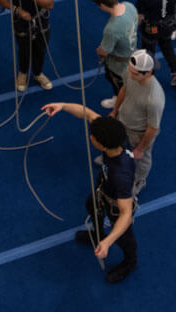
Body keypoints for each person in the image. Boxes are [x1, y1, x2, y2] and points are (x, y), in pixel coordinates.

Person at [39, 106, 138, 283]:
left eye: (93, 137)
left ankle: (130, 262)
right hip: (104, 188)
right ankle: (97, 234)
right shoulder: (116, 139)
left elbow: (126, 213)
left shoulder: (121, 175)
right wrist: (62, 105)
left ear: (102, 144)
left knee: (124, 238)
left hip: (115, 203)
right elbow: (87, 113)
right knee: (91, 205)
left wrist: (108, 242)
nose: (90, 137)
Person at [106, 50, 166, 196]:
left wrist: (140, 148)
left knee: (141, 161)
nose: (130, 75)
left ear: (148, 72)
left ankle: (138, 180)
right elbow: (124, 90)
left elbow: (153, 129)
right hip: (122, 121)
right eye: (130, 70)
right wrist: (114, 111)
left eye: (135, 74)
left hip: (138, 133)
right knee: (117, 145)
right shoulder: (131, 72)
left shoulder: (154, 98)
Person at [92, 0, 138, 109]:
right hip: (133, 53)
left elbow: (104, 51)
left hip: (119, 65)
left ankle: (120, 104)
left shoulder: (112, 28)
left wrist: (99, 50)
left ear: (102, 5)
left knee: (119, 86)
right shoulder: (129, 6)